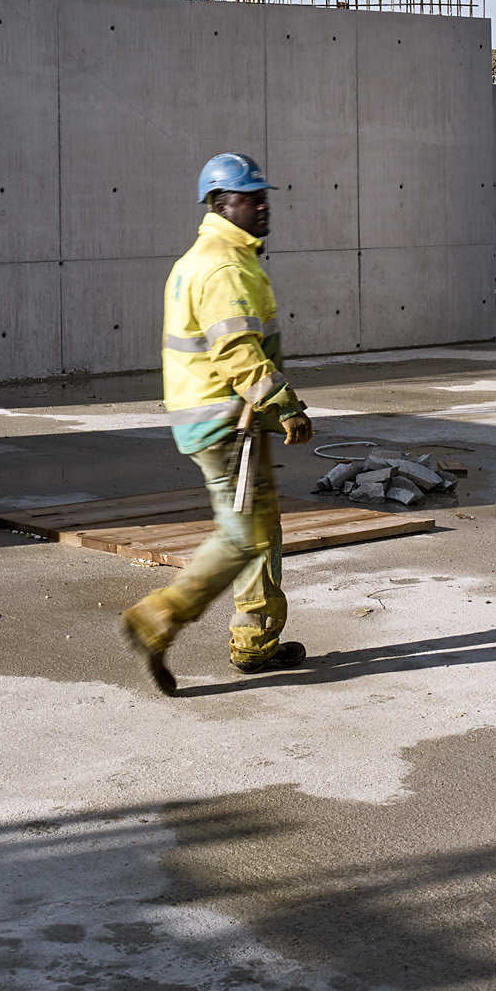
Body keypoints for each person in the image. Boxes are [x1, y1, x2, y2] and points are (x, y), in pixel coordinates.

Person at [119, 153, 315, 694]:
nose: (263, 205)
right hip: (226, 422)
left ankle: (256, 643)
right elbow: (236, 352)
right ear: (221, 204)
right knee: (243, 535)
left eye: (264, 196)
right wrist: (285, 405)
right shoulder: (223, 266)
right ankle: (158, 616)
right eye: (251, 198)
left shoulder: (217, 257)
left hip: (230, 419)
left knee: (261, 530)